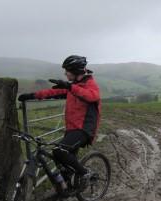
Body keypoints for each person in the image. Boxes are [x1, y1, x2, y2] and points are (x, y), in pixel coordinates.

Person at [18, 55, 101, 187]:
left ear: (75, 71)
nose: (65, 73)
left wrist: (70, 87)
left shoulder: (89, 84)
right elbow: (52, 93)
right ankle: (70, 184)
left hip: (84, 129)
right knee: (59, 157)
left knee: (59, 151)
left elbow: (92, 96)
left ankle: (84, 173)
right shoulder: (74, 85)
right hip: (72, 129)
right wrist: (32, 96)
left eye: (67, 71)